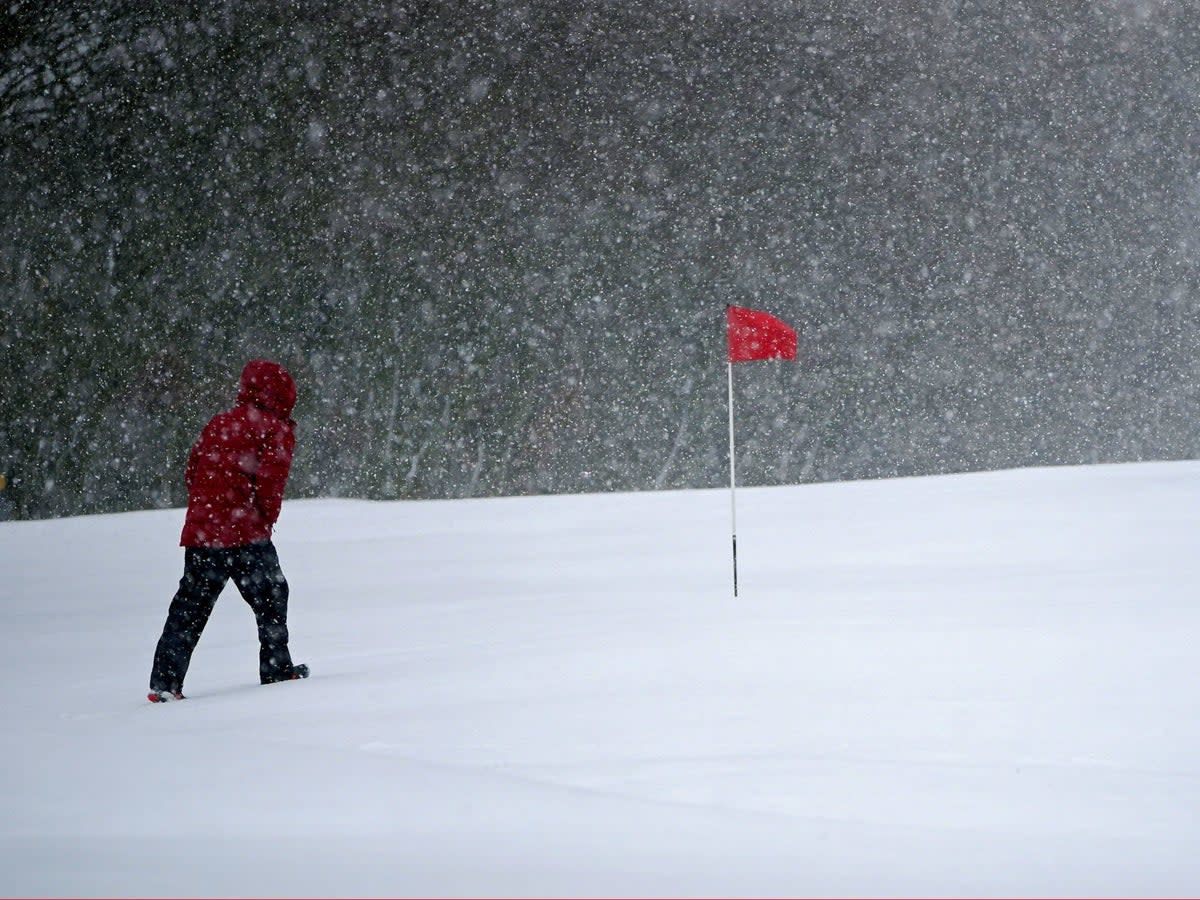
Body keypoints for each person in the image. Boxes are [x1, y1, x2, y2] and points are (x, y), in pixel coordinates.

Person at [148, 360, 307, 702]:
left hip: (205, 534)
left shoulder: (220, 423)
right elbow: (270, 482)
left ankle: (165, 683)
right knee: (271, 599)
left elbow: (193, 470)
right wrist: (263, 518)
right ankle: (277, 669)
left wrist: (210, 511)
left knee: (189, 608)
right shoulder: (275, 428)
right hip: (246, 533)